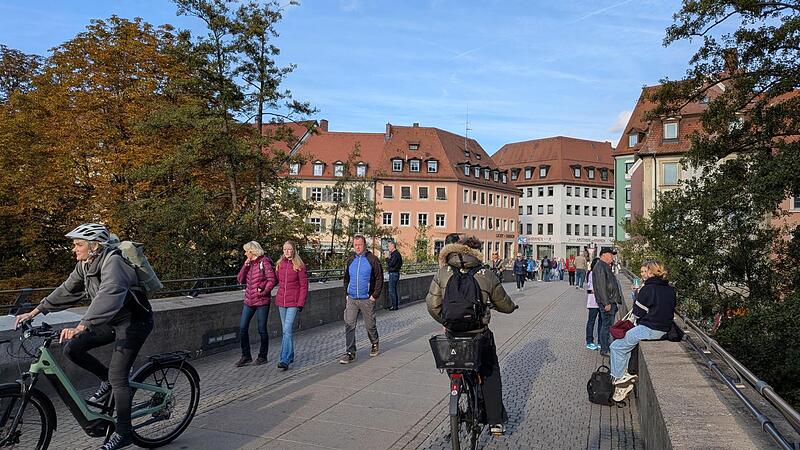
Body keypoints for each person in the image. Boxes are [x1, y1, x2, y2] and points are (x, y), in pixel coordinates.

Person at [15, 223, 154, 450]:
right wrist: (36, 311)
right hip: (110, 321)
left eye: (78, 244)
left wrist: (82, 325)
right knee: (73, 349)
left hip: (134, 322)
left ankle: (124, 432)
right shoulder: (85, 264)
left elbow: (109, 294)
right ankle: (106, 380)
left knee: (119, 377)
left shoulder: (114, 262)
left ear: (95, 246)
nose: (74, 249)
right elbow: (66, 289)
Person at [425, 236, 517, 436]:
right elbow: (504, 303)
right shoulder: (486, 273)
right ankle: (495, 422)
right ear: (476, 252)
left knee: (455, 365)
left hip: (453, 335)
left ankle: (457, 398)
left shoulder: (443, 272)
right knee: (490, 371)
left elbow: (432, 304)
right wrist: (511, 307)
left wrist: (447, 322)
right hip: (478, 334)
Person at [611, 260, 677, 401]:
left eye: (644, 271)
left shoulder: (648, 289)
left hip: (649, 328)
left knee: (616, 346)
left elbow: (638, 313)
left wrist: (637, 295)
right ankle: (624, 376)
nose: (641, 274)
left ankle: (619, 381)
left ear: (651, 272)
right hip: (664, 328)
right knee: (626, 345)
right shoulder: (670, 289)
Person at [340, 235, 383, 364]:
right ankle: (350, 352)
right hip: (352, 298)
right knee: (349, 324)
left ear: (364, 245)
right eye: (355, 245)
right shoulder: (350, 260)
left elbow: (379, 278)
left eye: (360, 244)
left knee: (370, 325)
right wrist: (346, 293)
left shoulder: (372, 260)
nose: (357, 247)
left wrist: (374, 296)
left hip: (366, 299)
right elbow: (346, 278)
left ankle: (374, 343)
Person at [235, 241, 277, 367]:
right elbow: (240, 279)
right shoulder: (250, 263)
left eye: (246, 251)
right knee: (243, 328)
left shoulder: (264, 262)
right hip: (249, 300)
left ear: (252, 251)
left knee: (261, 329)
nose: (245, 253)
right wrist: (245, 266)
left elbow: (272, 279)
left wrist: (263, 291)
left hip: (262, 300)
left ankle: (262, 356)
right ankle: (246, 356)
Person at [274, 240, 309, 371]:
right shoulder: (280, 264)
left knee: (287, 330)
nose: (287, 252)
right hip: (281, 301)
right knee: (286, 330)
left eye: (289, 249)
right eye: (284, 249)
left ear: (294, 250)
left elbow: (304, 286)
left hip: (293, 302)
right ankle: (291, 354)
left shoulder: (299, 265)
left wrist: (301, 303)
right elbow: (275, 280)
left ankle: (284, 359)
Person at [592, 248, 624, 357]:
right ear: (605, 255)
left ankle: (605, 346)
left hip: (610, 300)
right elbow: (601, 286)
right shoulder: (601, 267)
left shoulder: (604, 266)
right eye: (611, 255)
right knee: (607, 326)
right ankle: (605, 349)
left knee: (606, 325)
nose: (613, 257)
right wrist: (606, 303)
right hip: (608, 301)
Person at [584, 258, 602, 350]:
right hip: (593, 302)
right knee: (591, 321)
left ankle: (600, 341)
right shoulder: (591, 274)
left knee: (601, 322)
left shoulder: (601, 274)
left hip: (601, 302)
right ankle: (589, 341)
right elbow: (590, 289)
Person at [386, 240, 403, 310]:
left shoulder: (395, 254)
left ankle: (394, 306)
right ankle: (394, 305)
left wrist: (387, 258)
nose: (388, 248)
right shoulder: (397, 254)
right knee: (394, 290)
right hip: (396, 273)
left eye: (389, 246)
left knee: (391, 290)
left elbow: (391, 264)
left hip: (393, 274)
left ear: (393, 246)